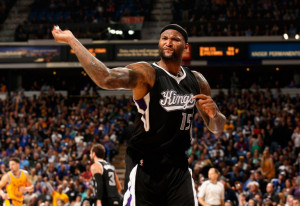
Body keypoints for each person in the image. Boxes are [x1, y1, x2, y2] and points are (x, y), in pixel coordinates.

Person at [52, 23, 226, 206]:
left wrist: (214, 114)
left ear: (186, 47)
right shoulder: (147, 73)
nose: (168, 42)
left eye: (175, 39)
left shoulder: (197, 81)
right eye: (164, 38)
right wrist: (72, 40)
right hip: (146, 167)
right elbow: (106, 77)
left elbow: (216, 127)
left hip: (179, 169)